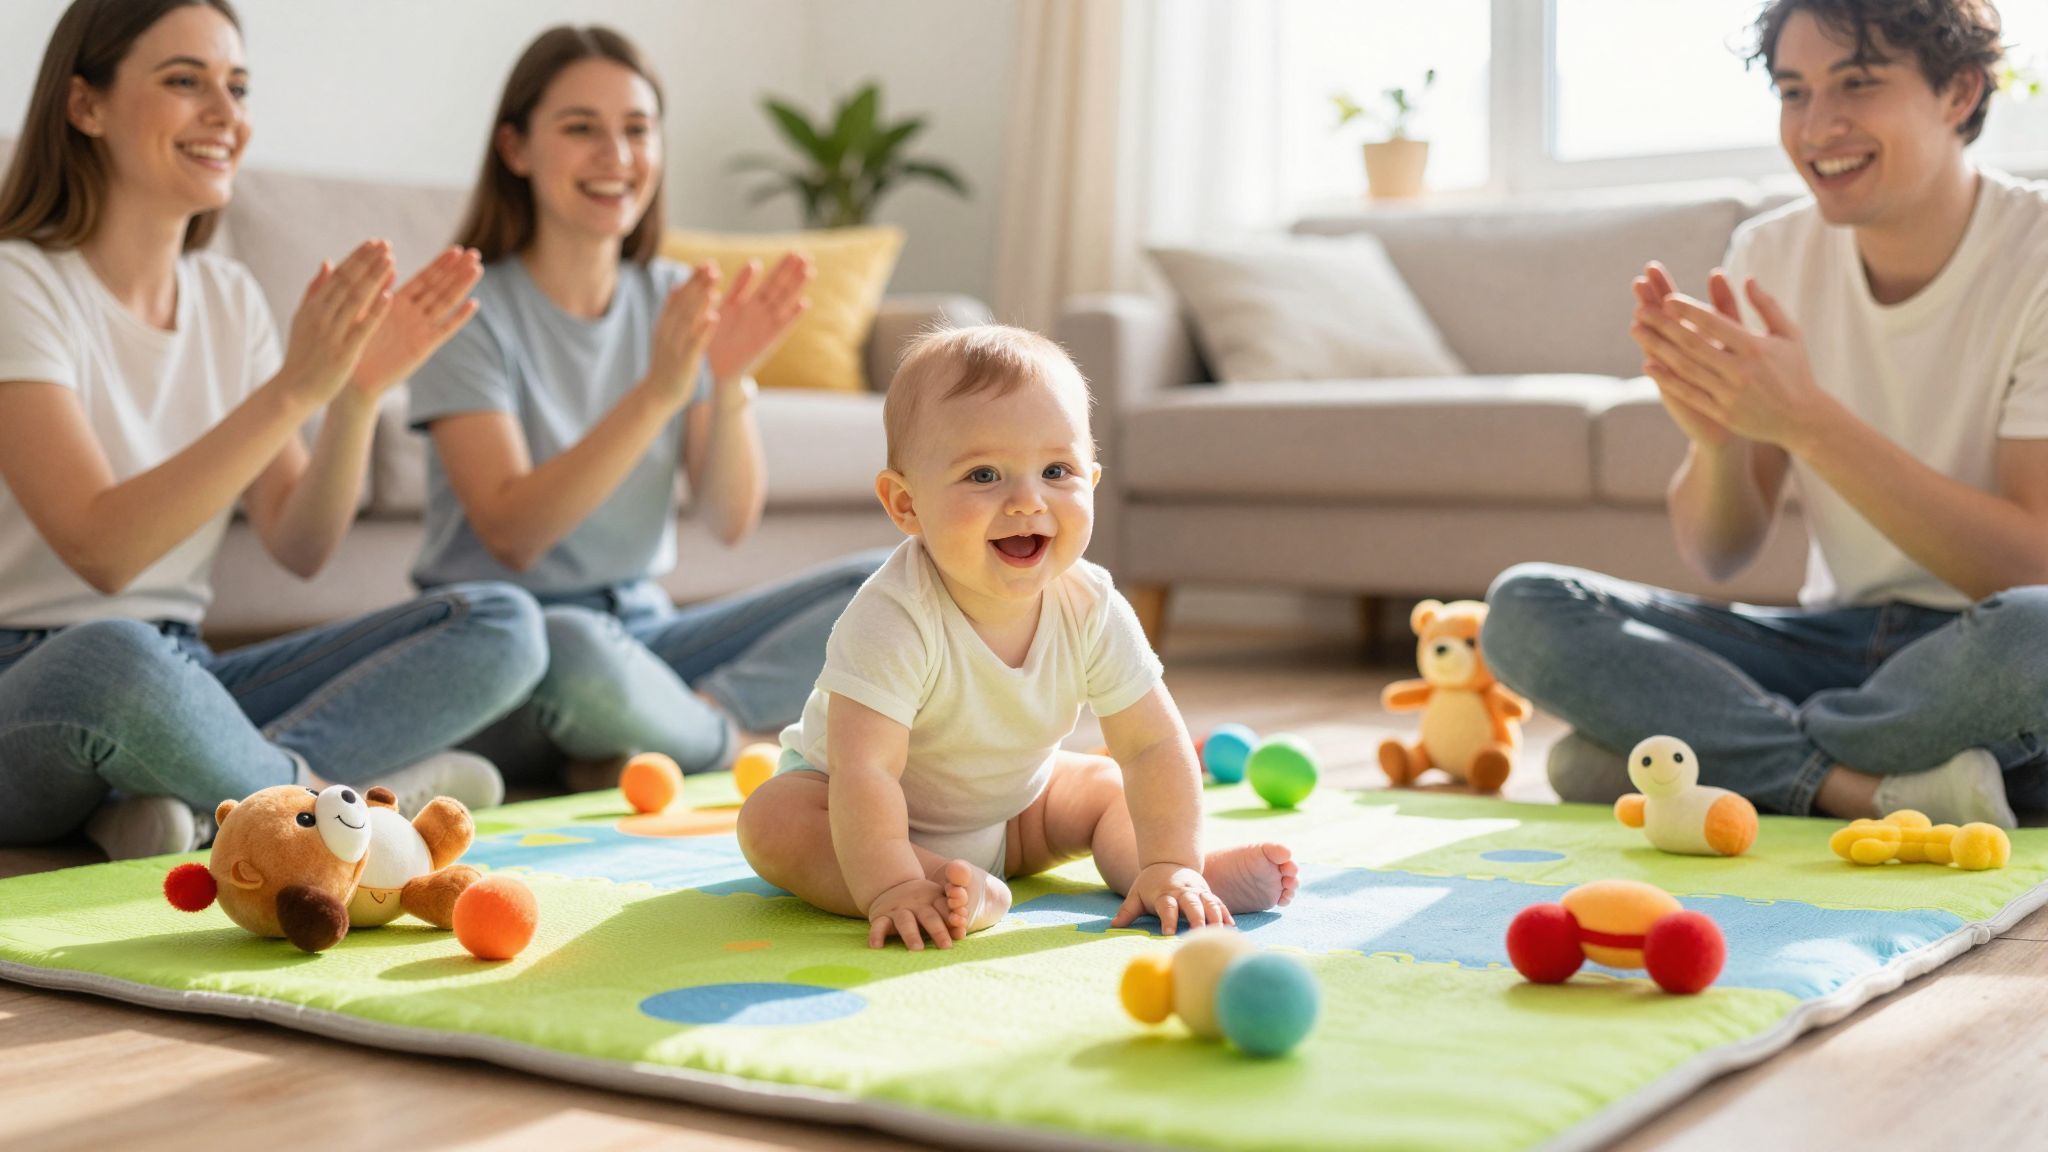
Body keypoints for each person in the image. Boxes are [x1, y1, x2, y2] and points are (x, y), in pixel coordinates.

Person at [0, 0, 548, 860]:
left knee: (505, 624)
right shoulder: (18, 281)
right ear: (86, 106)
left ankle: (183, 800)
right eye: (186, 82)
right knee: (116, 658)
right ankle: (331, 814)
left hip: (190, 679)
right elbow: (100, 550)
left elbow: (299, 543)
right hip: (44, 681)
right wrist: (295, 388)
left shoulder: (228, 297)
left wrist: (356, 395)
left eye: (239, 87)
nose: (227, 114)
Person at [1483, 0, 2047, 828]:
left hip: (1985, 647)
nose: (1818, 127)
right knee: (1527, 607)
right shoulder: (1770, 253)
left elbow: (2030, 570)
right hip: (1833, 650)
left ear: (1959, 92)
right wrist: (1715, 444)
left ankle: (1690, 756)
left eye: (1857, 83)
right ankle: (1857, 787)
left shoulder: (2034, 254)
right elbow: (1720, 552)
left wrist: (1808, 421)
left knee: (2039, 634)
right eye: (1793, 92)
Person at [409, 25, 883, 788]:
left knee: (894, 576)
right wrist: (658, 392)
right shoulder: (464, 309)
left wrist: (728, 385)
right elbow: (513, 534)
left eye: (637, 130)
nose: (617, 156)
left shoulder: (671, 296)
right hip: (509, 649)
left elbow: (729, 520)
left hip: (645, 632)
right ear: (516, 149)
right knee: (569, 647)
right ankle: (719, 744)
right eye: (581, 129)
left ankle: (674, 723)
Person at [736, 326, 1300, 951]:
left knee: (1109, 787)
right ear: (905, 505)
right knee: (771, 822)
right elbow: (865, 770)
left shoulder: (1090, 605)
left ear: (1092, 479)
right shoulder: (894, 616)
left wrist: (1172, 854)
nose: (1027, 501)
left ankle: (1172, 873)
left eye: (1056, 470)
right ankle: (932, 889)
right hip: (848, 810)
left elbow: (1151, 746)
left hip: (1014, 815)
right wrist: (889, 883)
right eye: (983, 475)